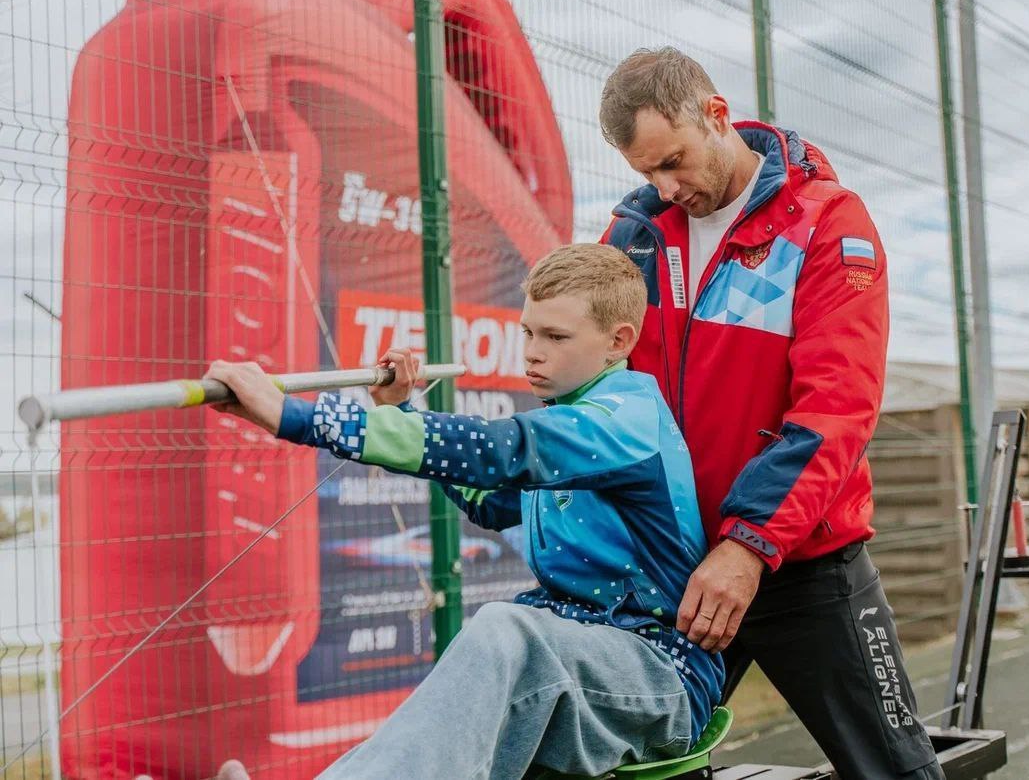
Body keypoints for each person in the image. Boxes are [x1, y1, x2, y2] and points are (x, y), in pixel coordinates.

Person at [210, 243, 723, 780]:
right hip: (580, 659)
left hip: (662, 674)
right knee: (458, 720)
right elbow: (490, 502)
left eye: (556, 337)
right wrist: (404, 410)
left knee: (508, 631)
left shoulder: (625, 418)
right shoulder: (572, 418)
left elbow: (496, 451)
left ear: (619, 341)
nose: (532, 352)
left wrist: (291, 415)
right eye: (527, 332)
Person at [597, 47, 945, 779]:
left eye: (674, 160)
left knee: (894, 770)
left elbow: (837, 407)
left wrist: (747, 544)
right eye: (646, 174)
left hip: (799, 564)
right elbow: (588, 383)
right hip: (673, 566)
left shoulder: (825, 223)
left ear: (716, 114)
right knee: (624, 764)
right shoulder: (630, 240)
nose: (666, 186)